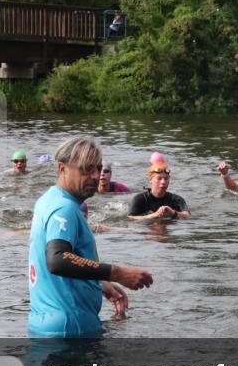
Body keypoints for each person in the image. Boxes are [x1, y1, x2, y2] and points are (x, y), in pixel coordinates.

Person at [28, 136, 152, 337]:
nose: (95, 175)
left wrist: (97, 282)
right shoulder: (64, 208)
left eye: (98, 168)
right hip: (70, 329)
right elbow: (57, 260)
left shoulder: (47, 200)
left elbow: (55, 262)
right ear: (62, 168)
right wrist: (117, 273)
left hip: (45, 324)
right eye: (86, 169)